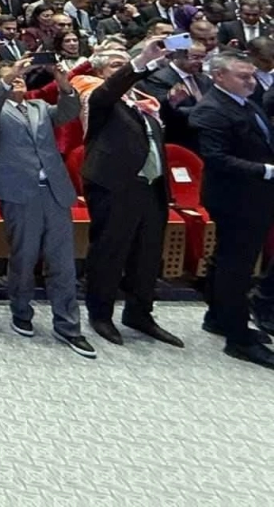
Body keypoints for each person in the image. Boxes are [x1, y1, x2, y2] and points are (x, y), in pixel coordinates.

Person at [0, 58, 93, 357]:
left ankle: (68, 326)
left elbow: (67, 112)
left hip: (54, 189)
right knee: (24, 257)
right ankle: (21, 311)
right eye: (12, 76)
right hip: (18, 191)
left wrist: (65, 86)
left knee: (63, 262)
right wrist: (6, 79)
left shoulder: (40, 106)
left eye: (21, 76)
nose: (19, 79)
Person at [80, 38, 182, 348]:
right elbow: (110, 90)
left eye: (125, 64)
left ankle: (140, 313)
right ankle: (101, 314)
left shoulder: (144, 101)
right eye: (116, 65)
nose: (123, 69)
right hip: (114, 185)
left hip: (151, 185)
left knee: (148, 253)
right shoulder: (97, 97)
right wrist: (139, 62)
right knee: (110, 252)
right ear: (101, 72)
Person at [188, 51, 274, 367]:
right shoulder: (212, 110)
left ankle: (218, 317)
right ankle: (238, 338)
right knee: (236, 267)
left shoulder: (244, 102)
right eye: (243, 76)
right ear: (219, 76)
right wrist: (266, 170)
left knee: (229, 260)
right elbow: (216, 158)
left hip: (254, 196)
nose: (251, 82)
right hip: (235, 198)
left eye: (252, 75)